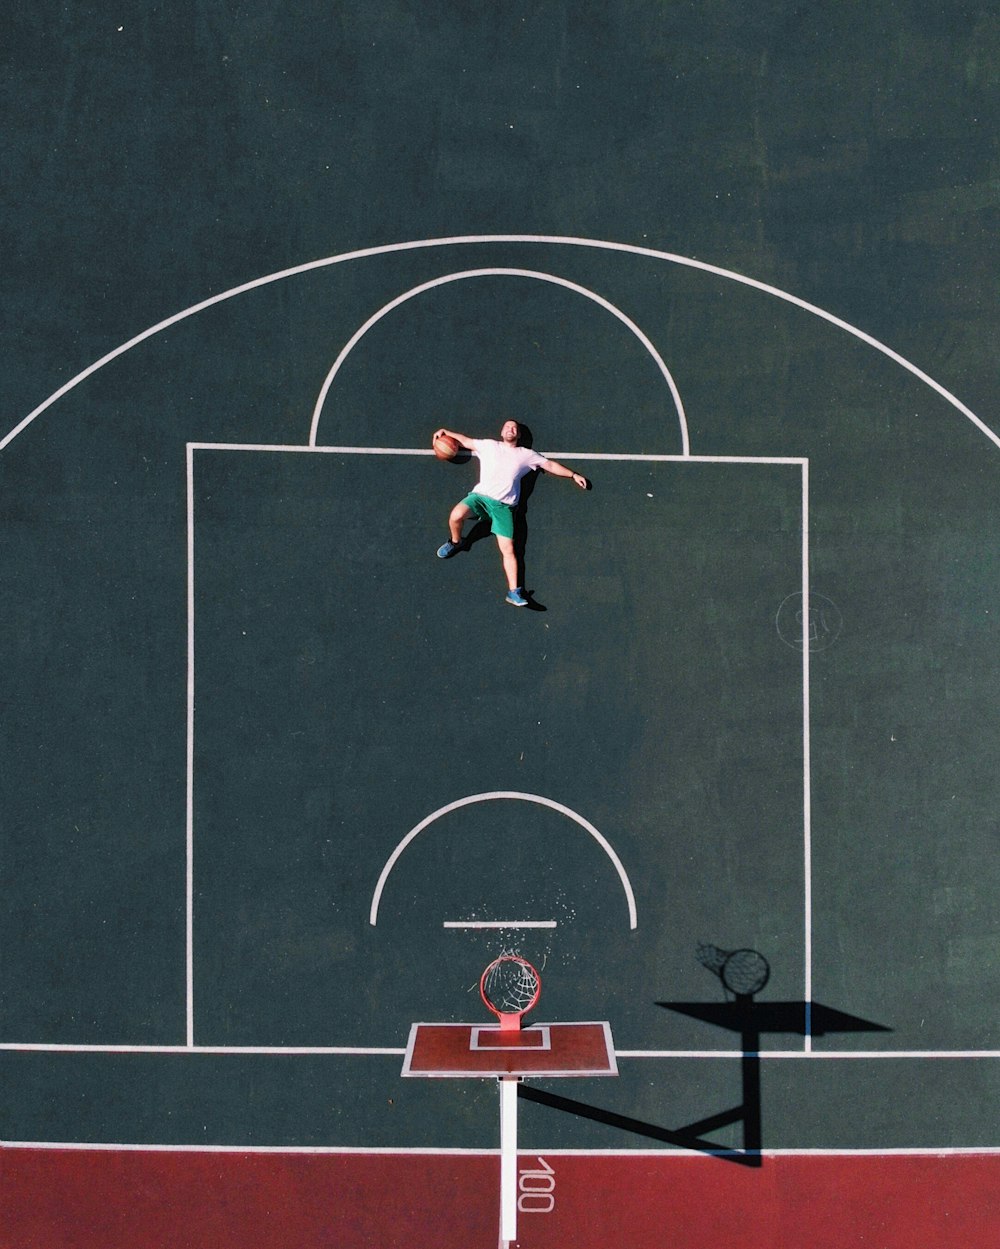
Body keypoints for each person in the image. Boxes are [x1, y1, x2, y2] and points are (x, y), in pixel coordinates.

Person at [434, 419, 590, 607]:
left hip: (504, 508)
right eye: (507, 427)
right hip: (479, 498)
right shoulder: (489, 445)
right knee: (455, 515)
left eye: (514, 428)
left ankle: (514, 592)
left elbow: (549, 465)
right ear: (502, 432)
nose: (511, 429)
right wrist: (445, 432)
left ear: (519, 435)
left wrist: (573, 475)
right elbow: (464, 440)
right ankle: (457, 542)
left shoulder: (526, 455)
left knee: (509, 549)